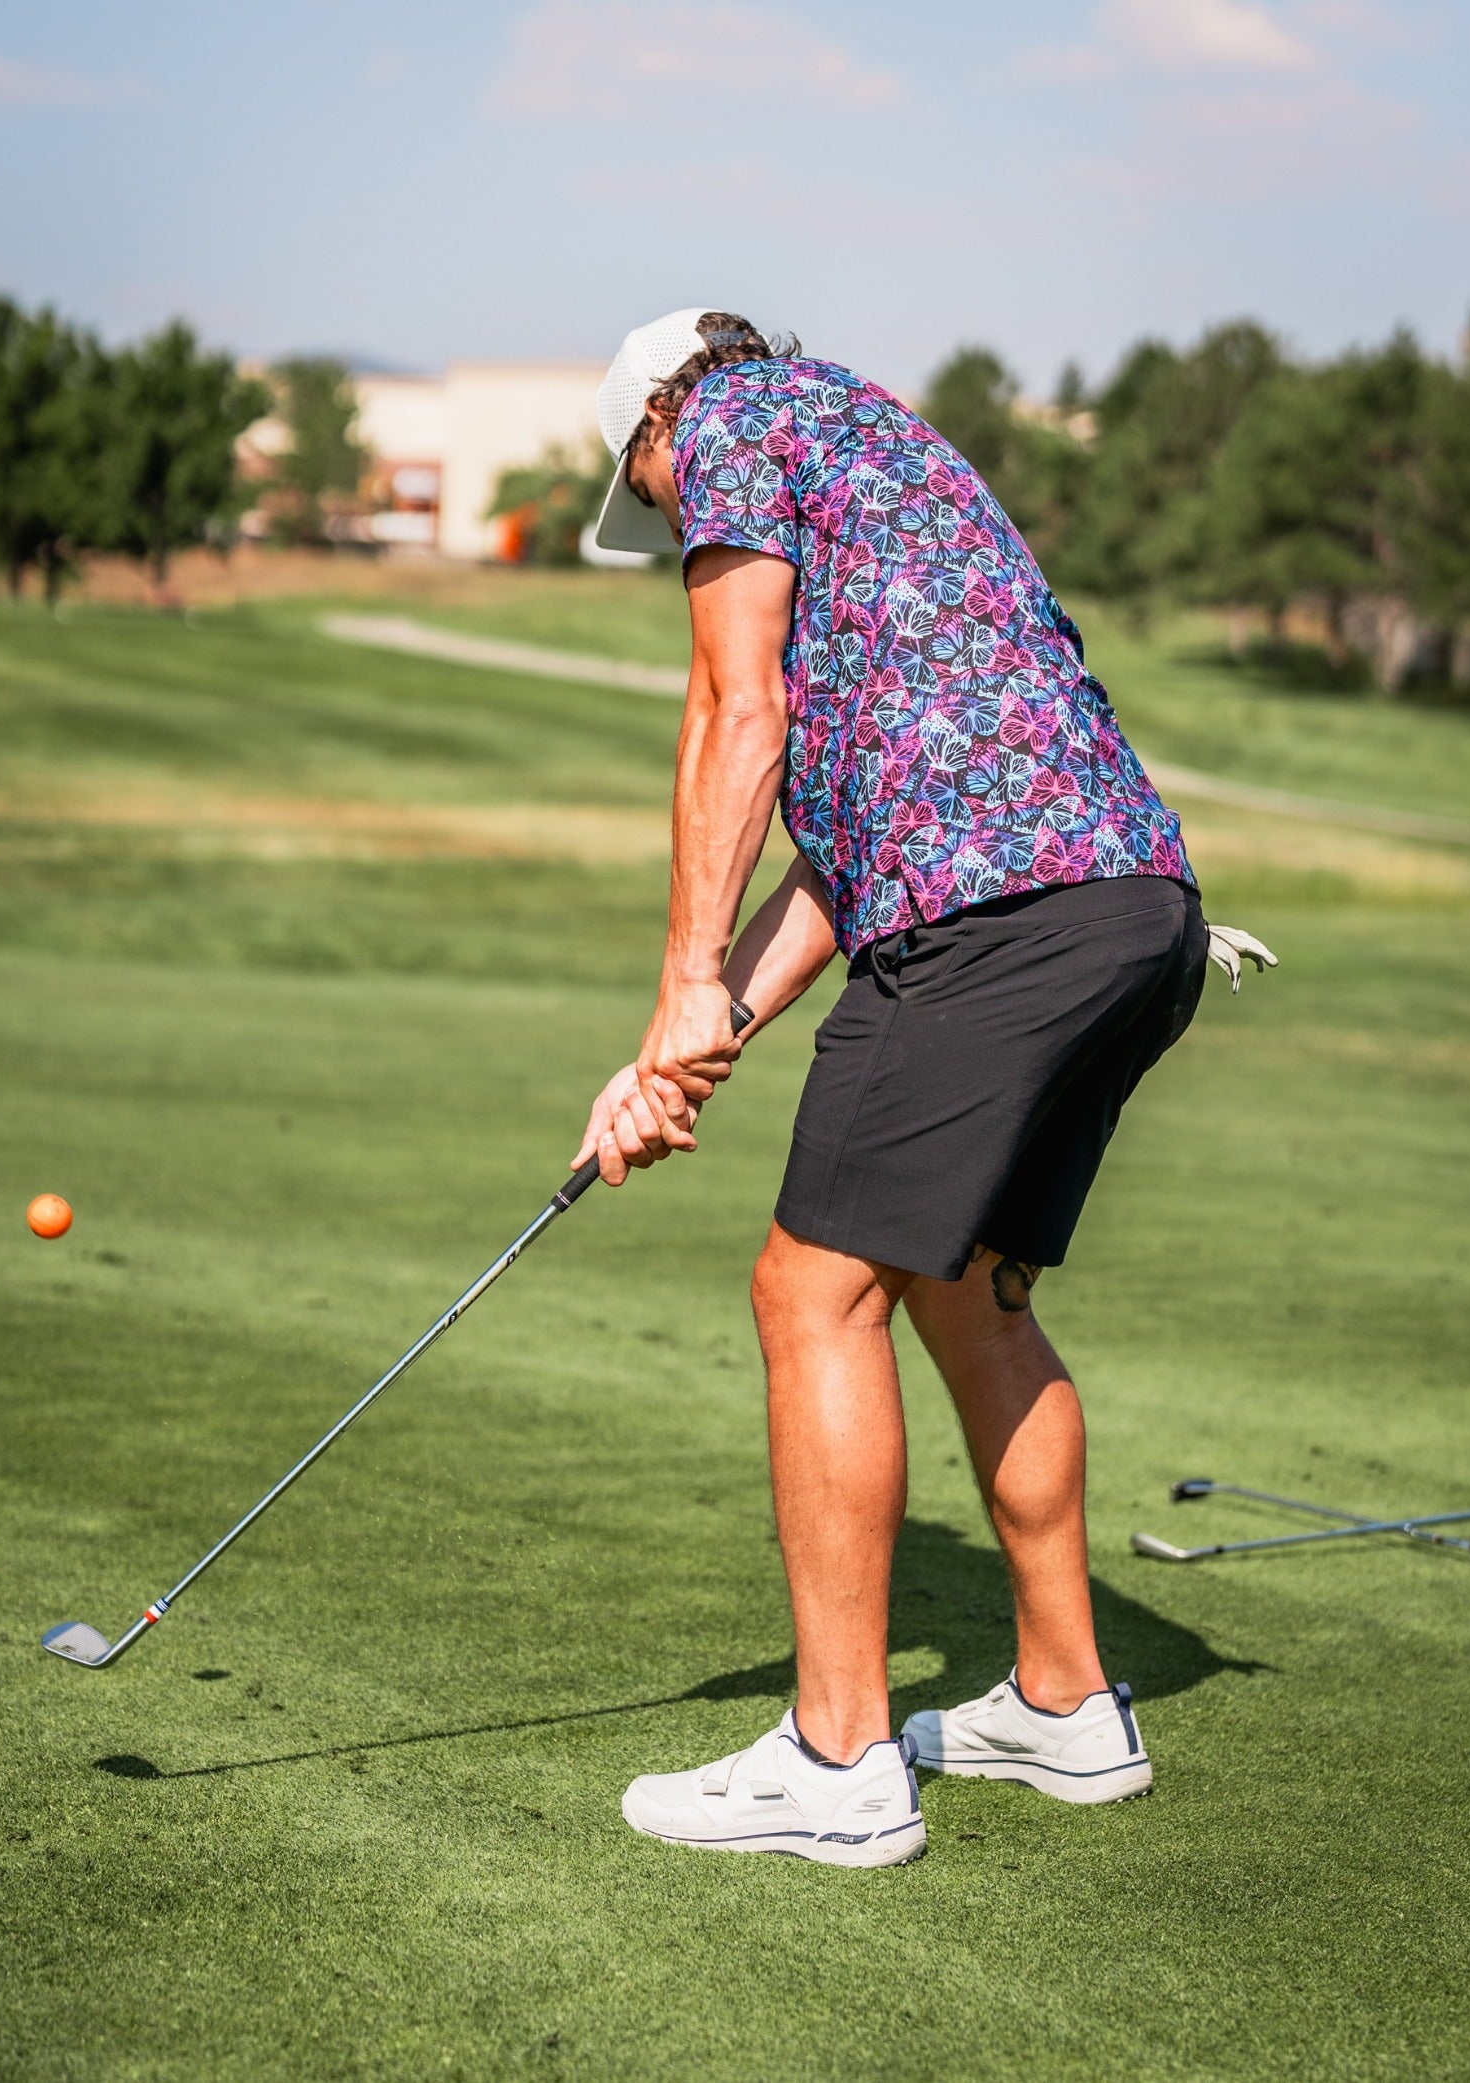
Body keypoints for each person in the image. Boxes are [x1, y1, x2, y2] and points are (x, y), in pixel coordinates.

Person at [574, 309, 1275, 1869]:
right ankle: (1063, 1701)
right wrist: (676, 1056)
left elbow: (728, 717)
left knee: (808, 1293)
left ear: (660, 432)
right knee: (963, 1292)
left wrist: (683, 978)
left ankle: (834, 1762)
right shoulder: (891, 467)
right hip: (1129, 913)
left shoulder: (739, 423)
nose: (682, 533)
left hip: (994, 929)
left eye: (658, 498)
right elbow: (837, 868)